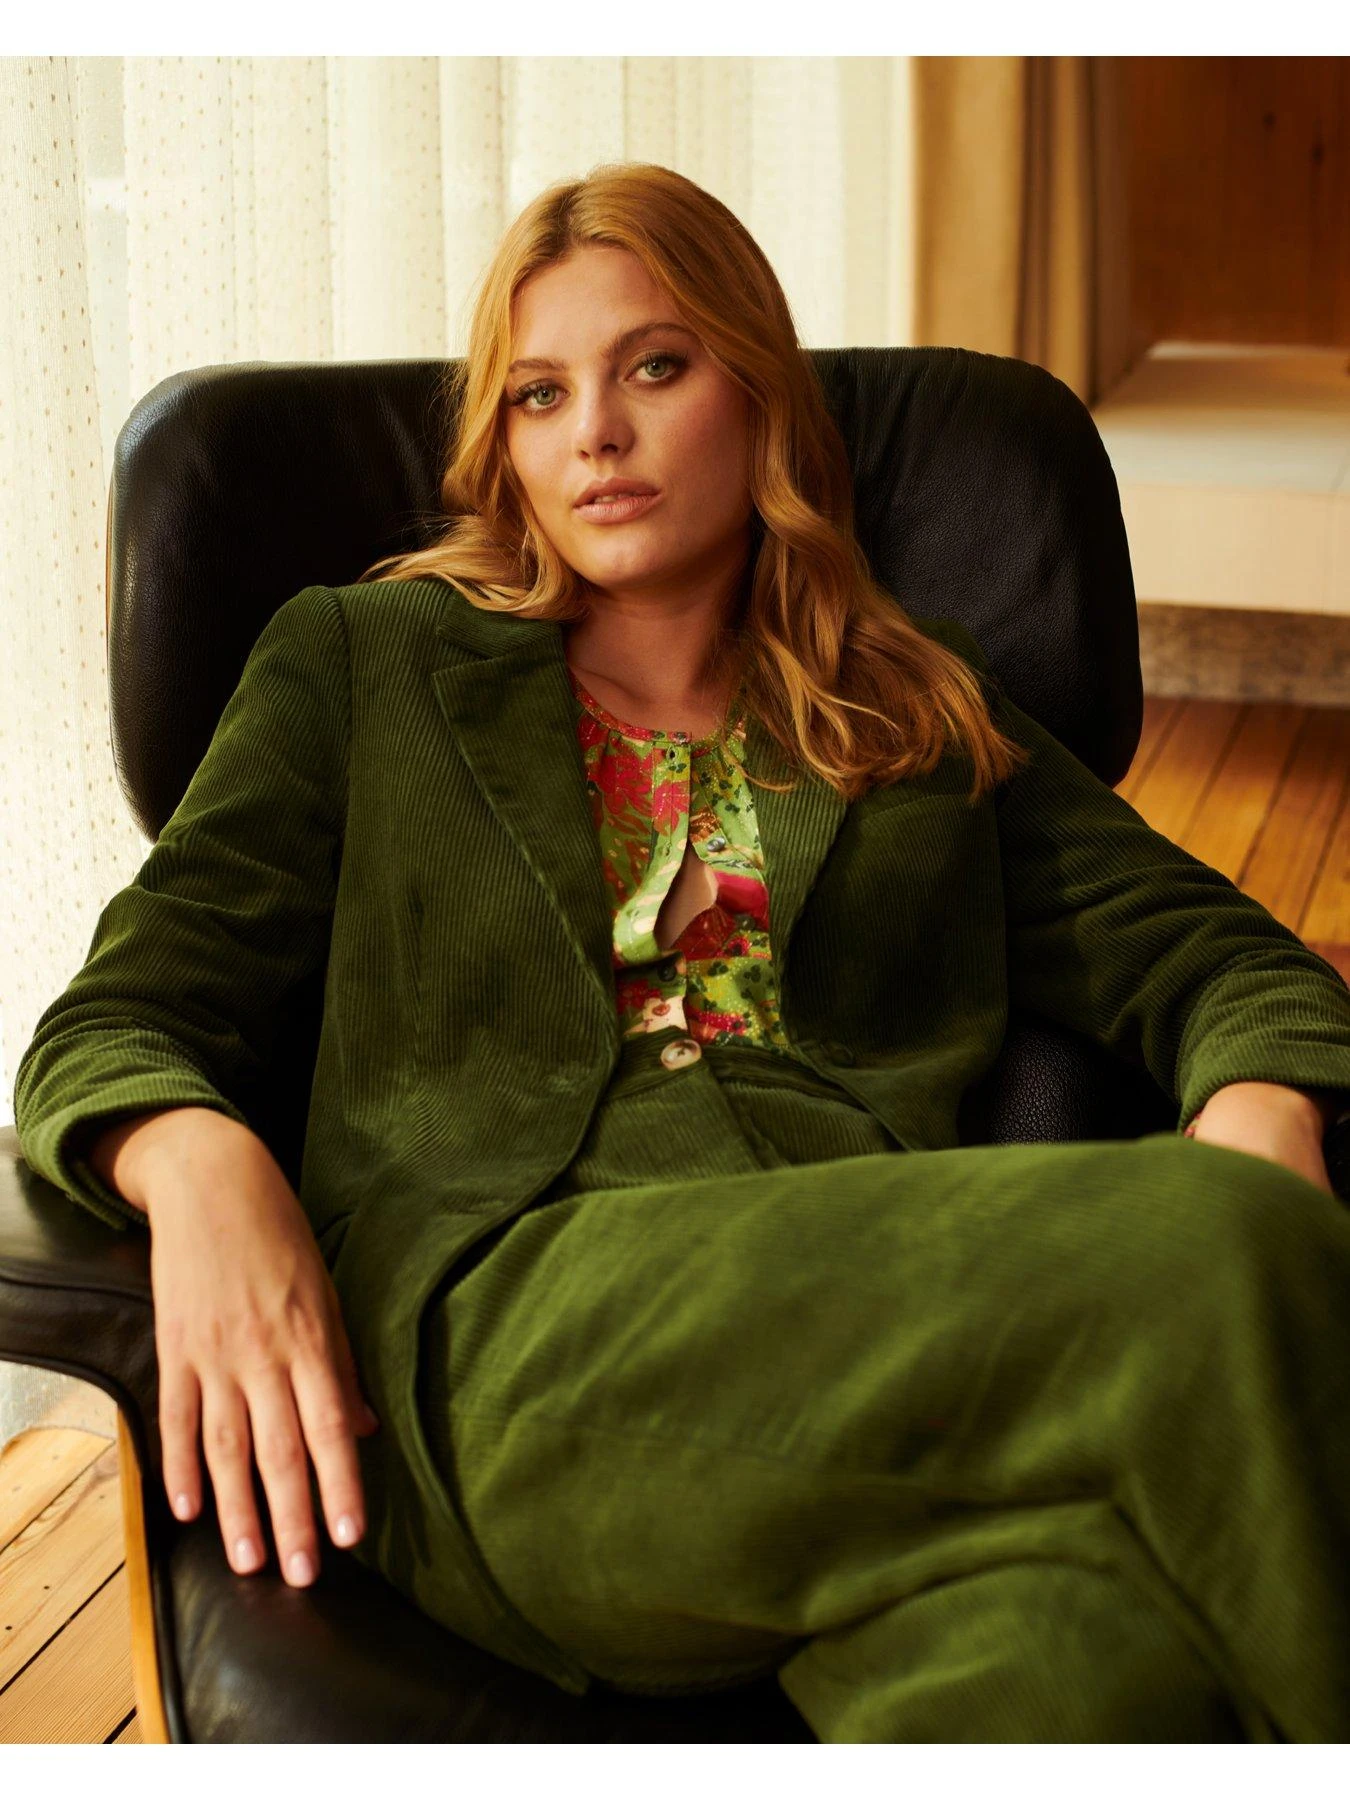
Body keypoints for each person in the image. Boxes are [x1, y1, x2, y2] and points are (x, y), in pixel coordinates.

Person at [13, 161, 1350, 1744]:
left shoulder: (913, 710)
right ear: (502, 445)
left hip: (870, 1338)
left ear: (757, 392)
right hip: (508, 1340)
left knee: (1089, 1670)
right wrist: (203, 1164)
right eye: (538, 393)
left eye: (653, 366)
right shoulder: (364, 664)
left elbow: (1222, 959)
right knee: (1217, 1248)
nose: (594, 430)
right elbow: (118, 1018)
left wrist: (1264, 1113)